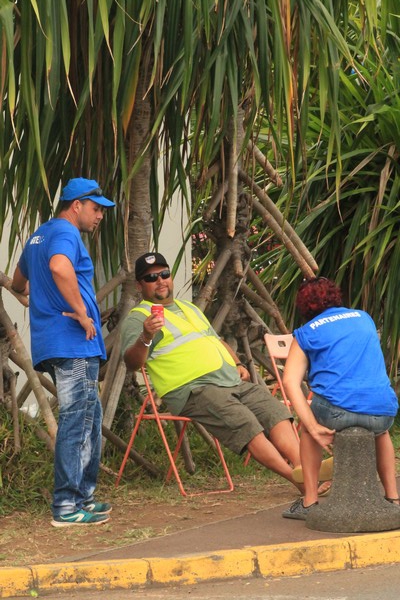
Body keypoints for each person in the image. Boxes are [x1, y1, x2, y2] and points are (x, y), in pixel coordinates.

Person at [120, 252, 331, 493]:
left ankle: (305, 469)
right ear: (139, 285)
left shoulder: (188, 308)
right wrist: (146, 336)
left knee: (275, 412)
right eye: (151, 278)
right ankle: (298, 480)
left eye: (164, 274)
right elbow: (132, 363)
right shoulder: (139, 318)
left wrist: (238, 364)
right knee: (246, 423)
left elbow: (215, 339)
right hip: (193, 390)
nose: (160, 280)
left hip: (231, 382)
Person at [11, 177, 115, 527]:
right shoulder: (66, 233)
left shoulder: (37, 236)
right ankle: (66, 506)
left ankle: (83, 496)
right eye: (96, 209)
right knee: (77, 419)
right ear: (77, 205)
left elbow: (18, 281)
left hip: (55, 341)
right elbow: (58, 267)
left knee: (89, 417)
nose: (100, 216)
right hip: (71, 341)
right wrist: (83, 314)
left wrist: (33, 298)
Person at [282, 277, 399, 520]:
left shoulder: (306, 333)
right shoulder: (363, 317)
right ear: (336, 297)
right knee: (380, 432)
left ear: (304, 306)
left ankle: (309, 502)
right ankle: (393, 498)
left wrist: (314, 427)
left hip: (337, 413)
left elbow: (290, 382)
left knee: (306, 429)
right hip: (383, 412)